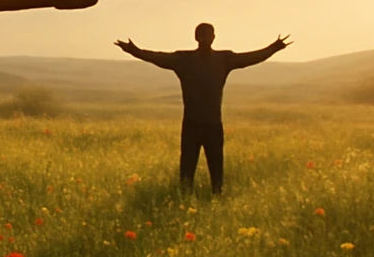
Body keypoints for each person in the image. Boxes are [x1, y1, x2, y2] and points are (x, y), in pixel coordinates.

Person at [114, 24, 290, 195]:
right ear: (196, 37)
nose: (205, 39)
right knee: (187, 170)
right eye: (202, 35)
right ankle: (186, 199)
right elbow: (157, 57)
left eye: (208, 35)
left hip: (213, 124)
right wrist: (134, 50)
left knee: (216, 169)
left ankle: (215, 197)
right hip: (192, 124)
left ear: (213, 37)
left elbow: (250, 58)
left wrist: (273, 48)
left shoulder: (223, 59)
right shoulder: (184, 59)